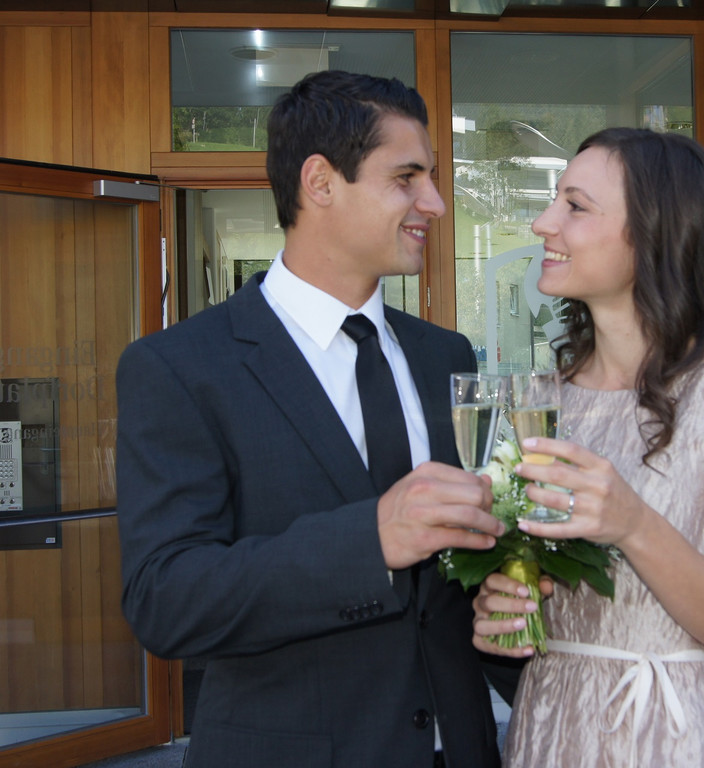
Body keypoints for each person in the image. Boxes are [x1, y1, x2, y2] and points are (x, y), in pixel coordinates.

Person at [116, 70, 510, 768]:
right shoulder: (180, 366)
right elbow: (166, 600)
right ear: (320, 182)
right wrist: (370, 540)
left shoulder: (444, 355)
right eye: (407, 178)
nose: (435, 203)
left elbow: (456, 588)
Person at [472, 128, 704, 767]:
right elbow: (532, 578)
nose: (543, 223)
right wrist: (501, 605)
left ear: (654, 233)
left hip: (672, 733)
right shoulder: (543, 399)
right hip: (550, 726)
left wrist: (633, 523)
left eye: (575, 205)